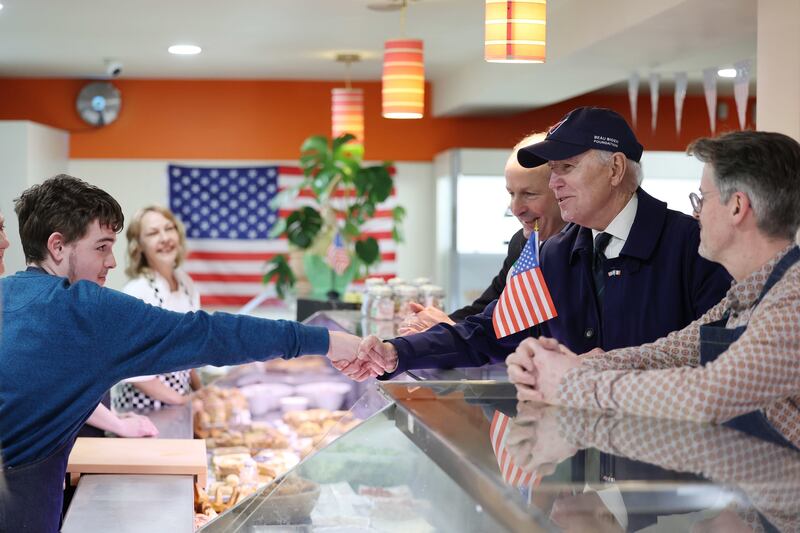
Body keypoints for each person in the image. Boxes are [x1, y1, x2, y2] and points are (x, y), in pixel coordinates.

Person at [0, 175, 365, 532]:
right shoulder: (86, 310)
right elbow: (210, 334)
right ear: (58, 246)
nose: (111, 262)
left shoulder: (7, 294)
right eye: (101, 247)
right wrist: (326, 341)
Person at [341, 106, 731, 381]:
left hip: (669, 471)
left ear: (615, 169)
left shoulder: (694, 246)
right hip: (577, 464)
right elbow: (489, 330)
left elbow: (720, 361)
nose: (555, 181)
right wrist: (396, 353)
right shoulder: (557, 252)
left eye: (567, 167)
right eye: (553, 170)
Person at [507, 130, 800, 450]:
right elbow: (669, 352)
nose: (696, 212)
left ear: (737, 207)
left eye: (702, 198)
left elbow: (707, 395)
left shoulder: (792, 302)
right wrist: (567, 365)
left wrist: (570, 383)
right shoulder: (743, 297)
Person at [397, 133, 565, 335]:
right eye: (511, 194)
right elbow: (486, 308)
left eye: (529, 194)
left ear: (562, 191)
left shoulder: (586, 247)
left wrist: (451, 330)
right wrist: (439, 326)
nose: (516, 208)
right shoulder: (521, 243)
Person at [113, 206, 203, 410]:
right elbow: (131, 367)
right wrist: (182, 401)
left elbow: (190, 349)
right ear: (139, 246)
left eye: (169, 228)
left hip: (178, 405)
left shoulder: (186, 284)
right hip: (142, 410)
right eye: (153, 233)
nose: (164, 238)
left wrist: (201, 391)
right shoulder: (137, 292)